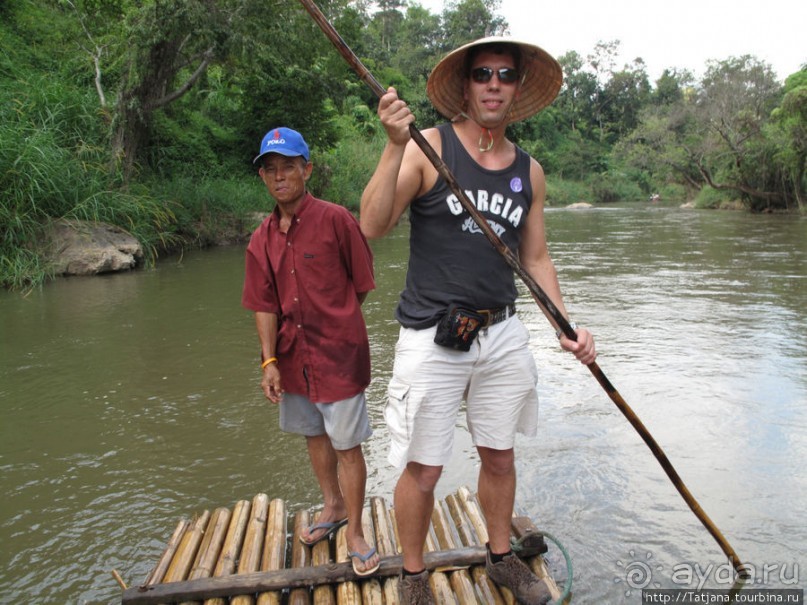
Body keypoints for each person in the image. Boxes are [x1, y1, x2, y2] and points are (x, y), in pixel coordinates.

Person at [360, 38, 597, 604]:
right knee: (423, 467)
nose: (494, 83)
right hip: (432, 333)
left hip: (502, 330)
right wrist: (393, 146)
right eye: (483, 73)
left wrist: (566, 327)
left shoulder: (529, 171)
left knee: (500, 455)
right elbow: (372, 224)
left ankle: (500, 556)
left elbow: (536, 258)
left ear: (517, 88)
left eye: (506, 75)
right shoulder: (428, 146)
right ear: (465, 87)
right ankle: (413, 575)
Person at [242, 127, 380, 577]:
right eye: (271, 169)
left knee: (347, 445)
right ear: (263, 177)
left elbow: (361, 283)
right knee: (313, 435)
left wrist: (336, 321)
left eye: (288, 166)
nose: (279, 176)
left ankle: (355, 531)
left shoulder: (337, 219)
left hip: (339, 356)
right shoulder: (261, 238)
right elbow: (263, 304)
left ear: (308, 170)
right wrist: (268, 361)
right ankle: (332, 505)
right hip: (292, 358)